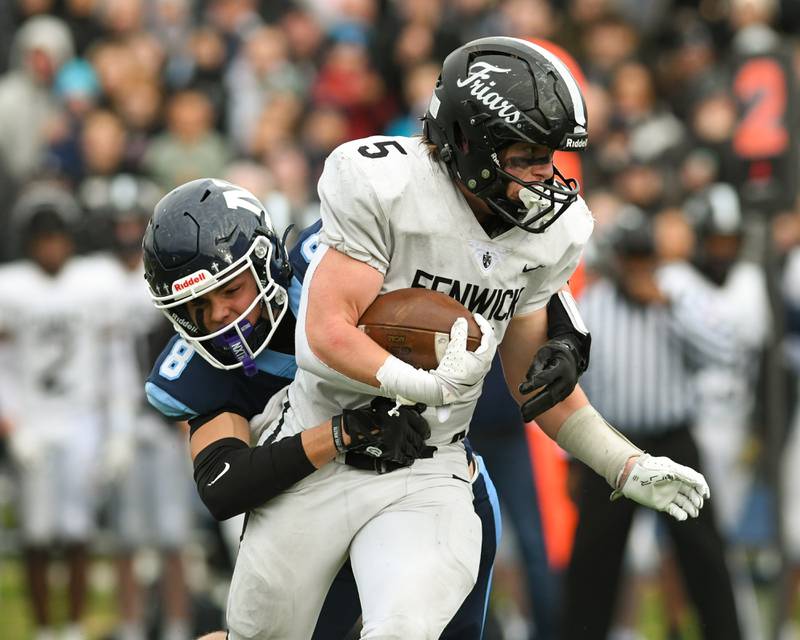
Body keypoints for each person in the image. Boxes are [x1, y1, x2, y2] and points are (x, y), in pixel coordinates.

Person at [218, 36, 709, 640]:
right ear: (471, 142)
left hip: (427, 466)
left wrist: (624, 465)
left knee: (402, 631)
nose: (545, 176)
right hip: (321, 449)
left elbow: (538, 389)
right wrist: (420, 381)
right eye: (529, 155)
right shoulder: (383, 184)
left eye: (549, 156)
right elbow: (325, 332)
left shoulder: (549, 233)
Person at [141, 178, 501, 638]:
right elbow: (224, 485)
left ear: (265, 260)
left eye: (229, 290)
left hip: (425, 487)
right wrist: (344, 432)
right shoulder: (199, 370)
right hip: (312, 518)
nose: (218, 316)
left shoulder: (334, 265)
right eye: (197, 305)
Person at [560, 206, 742, 639]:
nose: (639, 268)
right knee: (593, 561)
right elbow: (568, 386)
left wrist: (669, 304)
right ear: (616, 261)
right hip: (610, 445)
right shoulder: (593, 307)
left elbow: (725, 352)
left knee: (704, 556)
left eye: (646, 258)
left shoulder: (678, 295)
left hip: (673, 439)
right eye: (632, 259)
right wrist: (570, 459)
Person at [0, 183, 133, 640]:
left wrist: (119, 431)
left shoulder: (96, 283)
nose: (51, 247)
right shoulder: (11, 288)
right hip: (35, 418)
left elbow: (116, 363)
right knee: (36, 534)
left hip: (81, 418)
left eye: (57, 237)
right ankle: (42, 629)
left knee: (78, 530)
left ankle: (73, 628)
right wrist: (12, 423)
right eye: (42, 239)